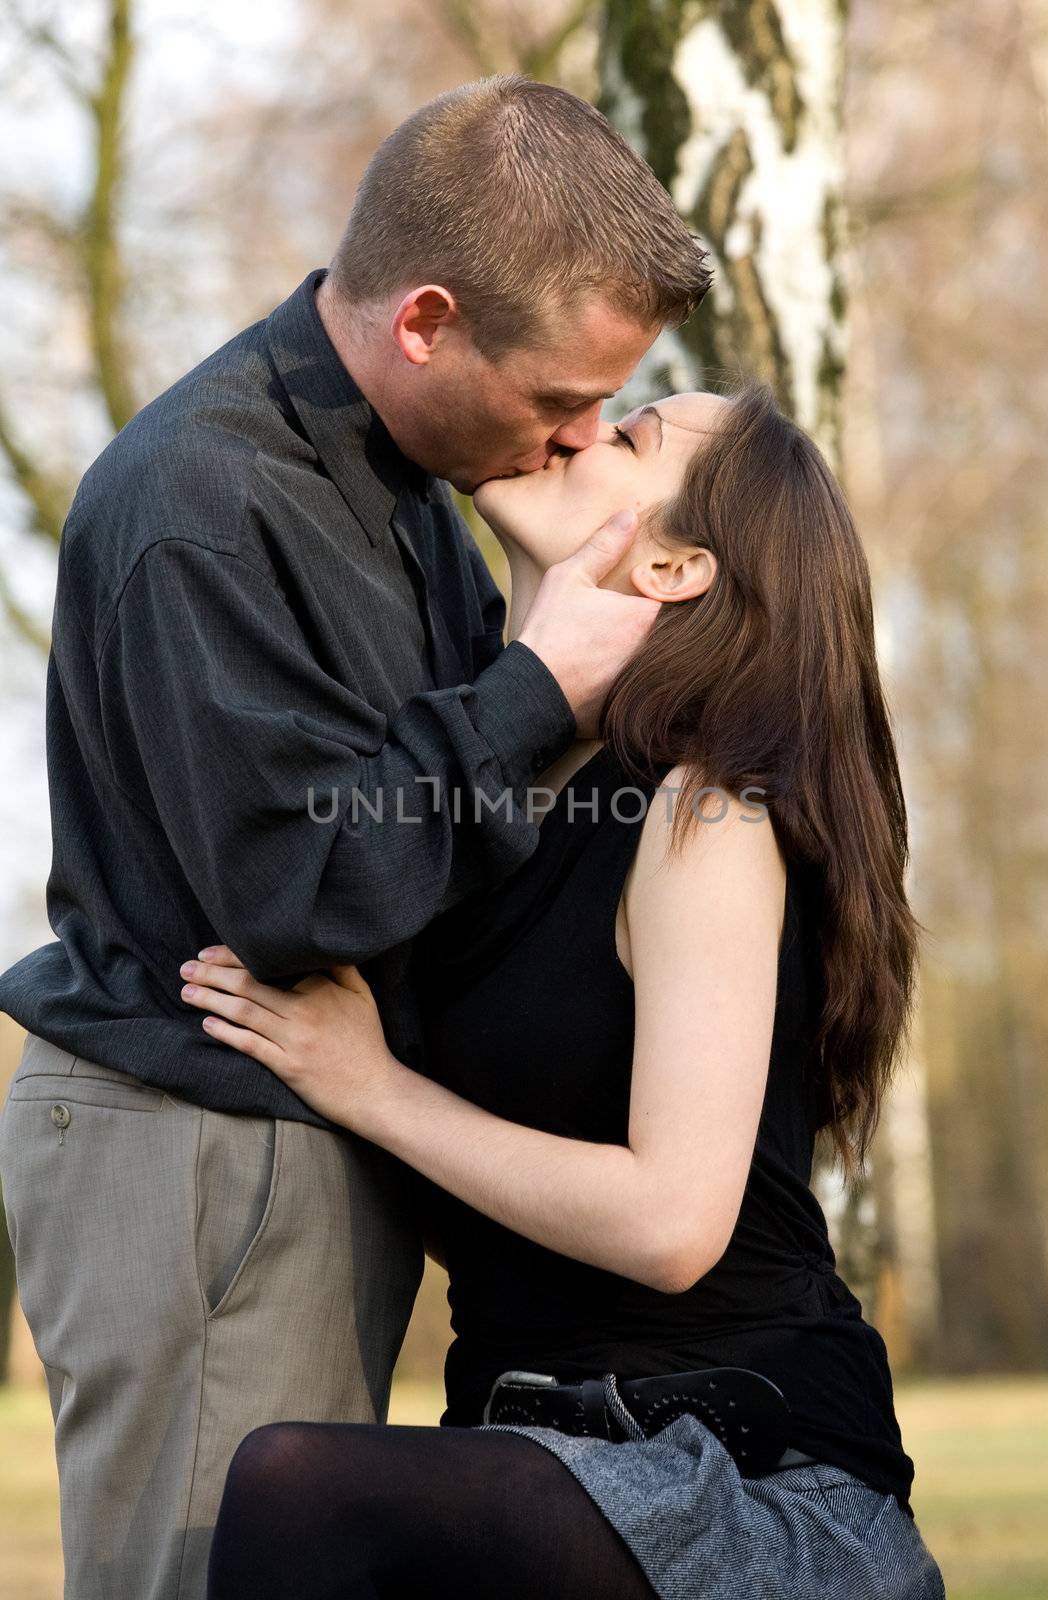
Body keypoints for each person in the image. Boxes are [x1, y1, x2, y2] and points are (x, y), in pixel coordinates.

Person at [0, 77, 711, 1600]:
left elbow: (447, 835)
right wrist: (536, 691)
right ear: (425, 321)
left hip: (276, 1141)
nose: (579, 435)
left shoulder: (396, 480)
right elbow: (301, 887)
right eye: (556, 400)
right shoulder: (209, 499)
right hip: (199, 1139)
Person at [183, 386, 947, 1599]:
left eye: (631, 434)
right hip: (527, 1441)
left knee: (290, 1489)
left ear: (674, 564)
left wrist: (368, 1086)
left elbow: (669, 1225)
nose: (581, 424)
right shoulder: (500, 806)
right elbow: (496, 1200)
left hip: (737, 1470)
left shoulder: (706, 813)